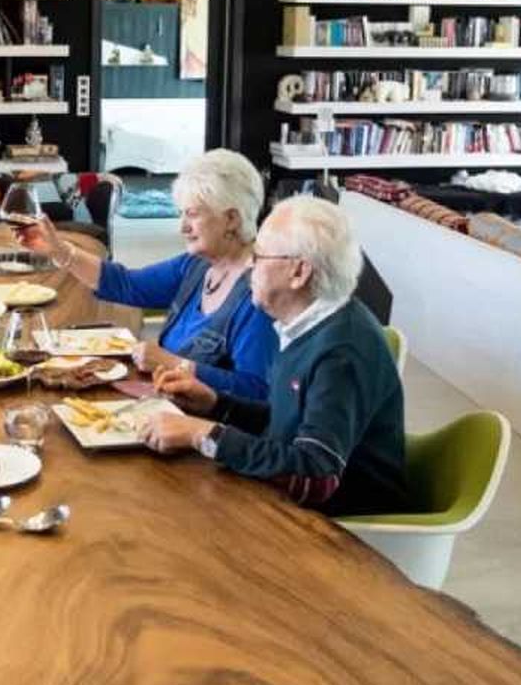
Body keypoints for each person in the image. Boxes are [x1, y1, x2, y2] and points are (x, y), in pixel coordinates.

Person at [142, 195, 407, 516]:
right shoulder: (303, 323)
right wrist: (216, 404)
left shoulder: (342, 352)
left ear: (299, 272)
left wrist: (202, 434)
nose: (250, 266)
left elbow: (315, 477)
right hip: (288, 502)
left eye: (260, 256)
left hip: (337, 529)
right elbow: (286, 423)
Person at [12, 150, 277, 400]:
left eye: (192, 214)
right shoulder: (197, 265)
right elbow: (128, 284)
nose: (182, 227)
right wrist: (58, 250)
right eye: (182, 214)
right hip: (165, 407)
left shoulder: (260, 295)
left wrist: (175, 364)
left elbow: (256, 393)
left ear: (231, 219)